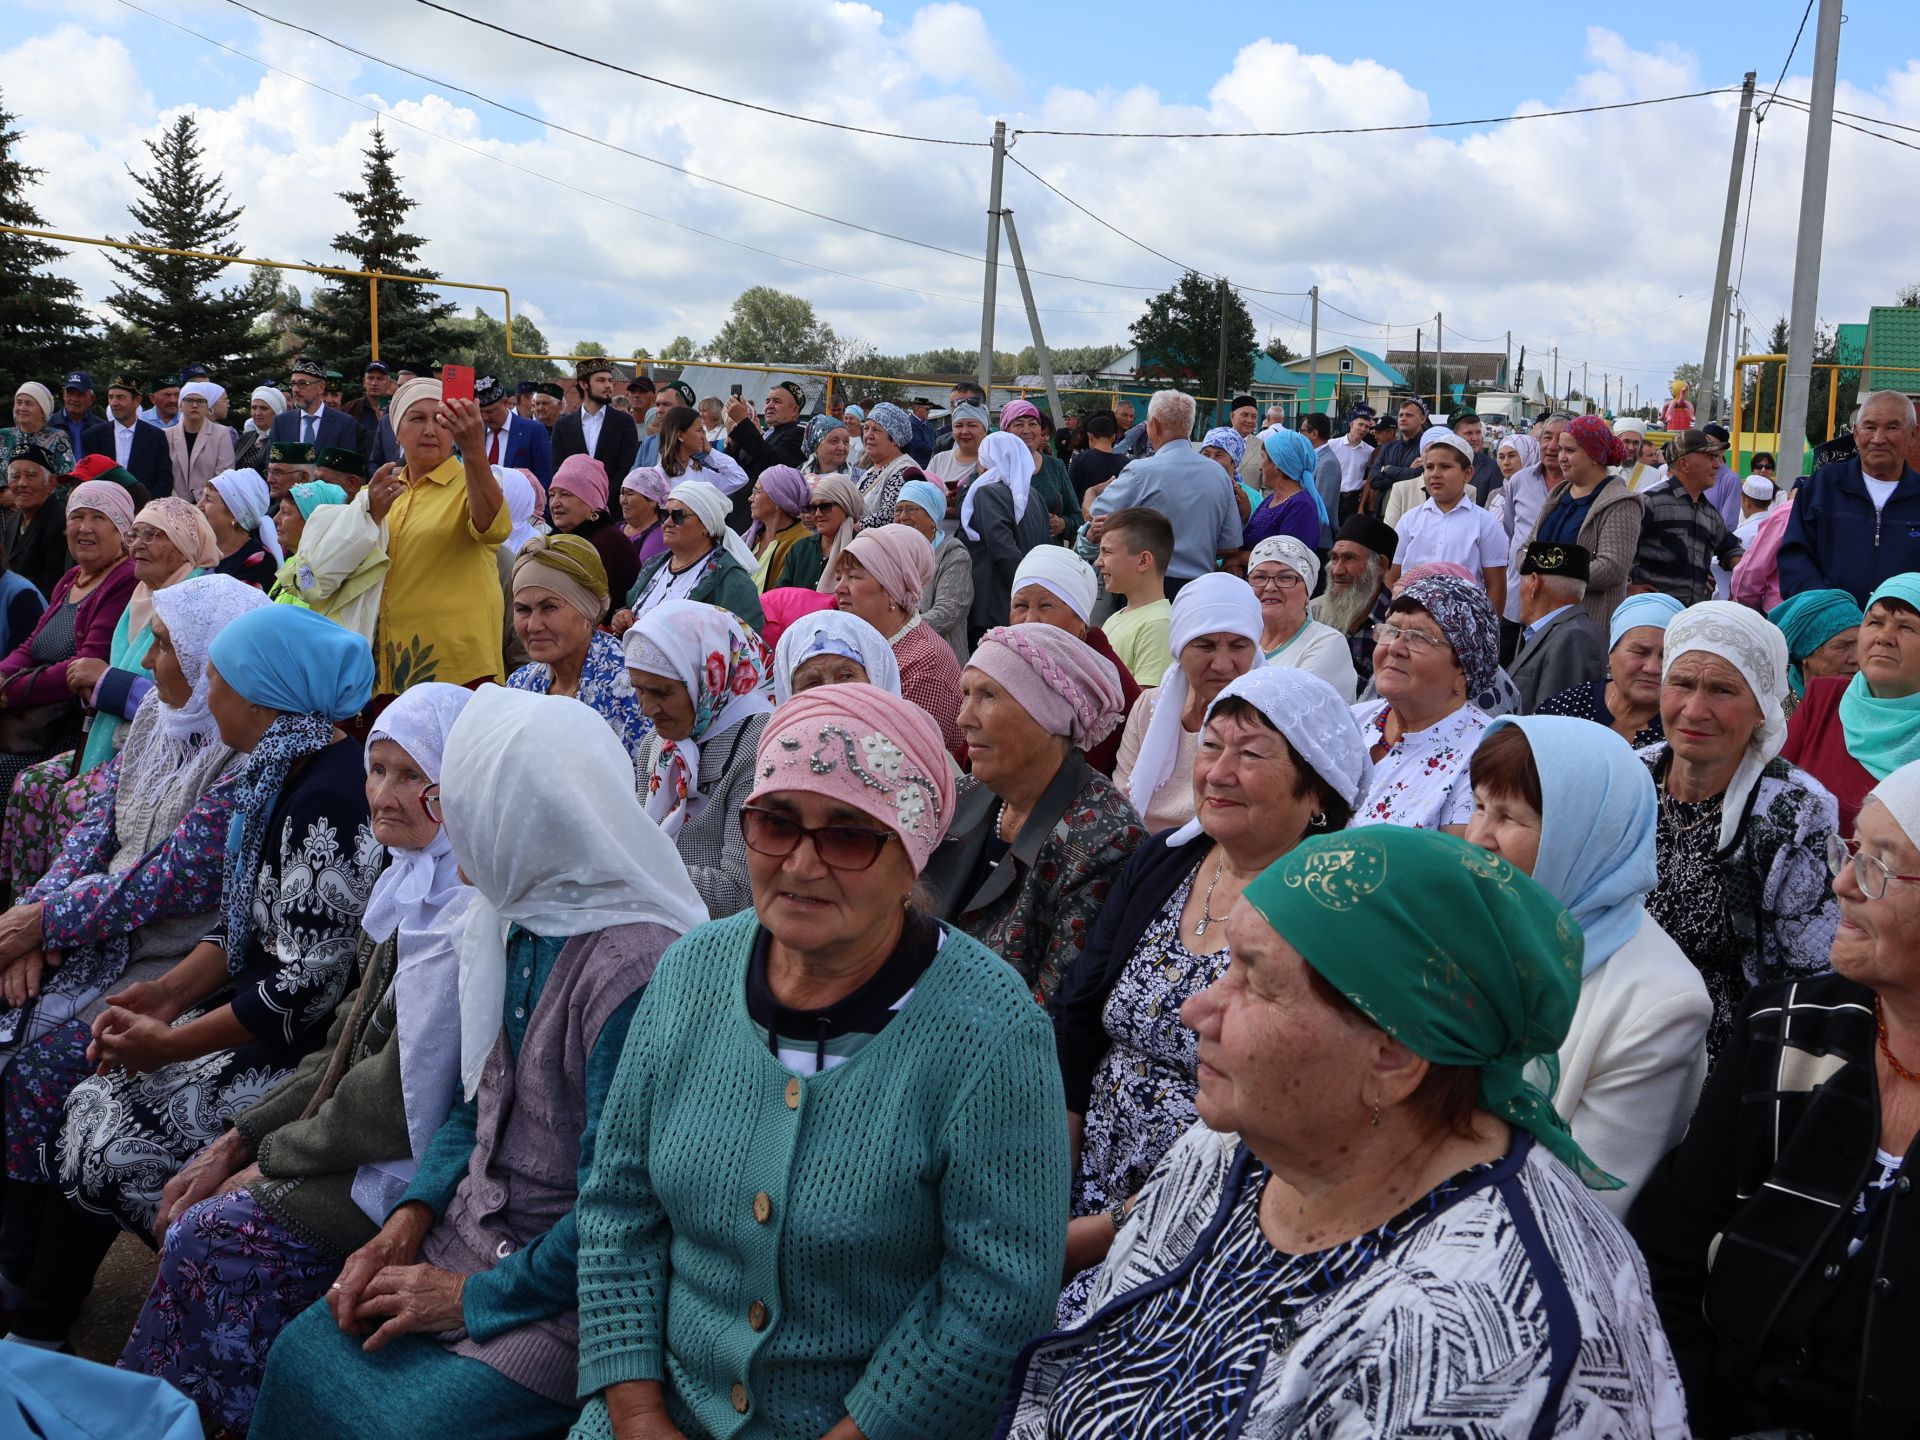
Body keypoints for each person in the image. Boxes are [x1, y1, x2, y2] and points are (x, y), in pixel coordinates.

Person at [999, 825, 1688, 1438]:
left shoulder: (1484, 1344)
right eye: (1226, 965)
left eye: (1254, 983)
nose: (1194, 1009)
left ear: (1394, 1054)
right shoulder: (1235, 1144)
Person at [570, 682, 1068, 1440]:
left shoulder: (991, 1032)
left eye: (847, 835)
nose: (801, 863)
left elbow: (996, 1295)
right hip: (658, 1413)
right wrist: (638, 1416)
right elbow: (619, 1207)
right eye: (776, 823)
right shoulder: (688, 974)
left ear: (913, 856)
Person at [247, 685, 705, 1440]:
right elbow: (478, 1104)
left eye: (463, 803)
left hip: (567, 1290)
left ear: (528, 818)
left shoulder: (629, 969)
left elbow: (617, 1210)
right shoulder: (517, 911)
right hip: (465, 1232)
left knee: (411, 1427)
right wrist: (408, 1220)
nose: (448, 825)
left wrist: (466, 1298)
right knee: (301, 1354)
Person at [117, 684, 475, 1434]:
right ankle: (166, 1418)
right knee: (197, 1195)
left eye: (415, 777)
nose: (384, 793)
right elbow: (342, 1045)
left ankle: (215, 1418)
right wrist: (237, 1141)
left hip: (412, 1170)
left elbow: (395, 1099)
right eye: (377, 770)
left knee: (216, 1236)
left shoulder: (464, 913)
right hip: (360, 1142)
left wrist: (272, 1158)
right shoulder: (408, 881)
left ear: (463, 787)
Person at [40, 607, 378, 1347]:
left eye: (217, 681)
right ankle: (51, 1312)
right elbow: (241, 922)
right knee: (92, 1094)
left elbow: (309, 986)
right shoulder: (276, 771)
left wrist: (173, 1046)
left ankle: (212, 1311)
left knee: (107, 1129)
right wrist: (167, 997)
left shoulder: (327, 796)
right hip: (260, 1014)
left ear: (262, 698)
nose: (204, 692)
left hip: (305, 1052)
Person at [0, 577, 267, 1344]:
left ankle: (28, 1277)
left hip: (172, 948)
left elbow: (169, 881)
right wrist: (36, 924)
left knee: (48, 1062)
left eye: (164, 644)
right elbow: (93, 828)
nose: (150, 658)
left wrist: (47, 920)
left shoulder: (240, 755)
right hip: (86, 922)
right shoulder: (156, 712)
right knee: (7, 1015)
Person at [1050, 666, 1368, 1309]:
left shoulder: (1328, 911)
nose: (1218, 772)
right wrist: (1051, 1171)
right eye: (1213, 745)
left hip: (1201, 1219)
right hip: (1077, 1175)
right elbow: (1079, 1014)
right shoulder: (1165, 859)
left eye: (1251, 755)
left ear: (1317, 794)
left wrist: (1085, 1238)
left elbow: (1293, 1111)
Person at [1631, 759, 1920, 1440]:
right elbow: (1663, 1256)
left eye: (1882, 865)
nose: (1843, 884)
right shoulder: (1784, 1028)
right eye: (1850, 850)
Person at [1465, 718, 1711, 1213]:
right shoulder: (1469, 925)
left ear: (1580, 836)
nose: (1478, 838)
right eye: (1477, 807)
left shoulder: (1660, 1005)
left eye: (1509, 818)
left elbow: (1584, 1202)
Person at [1641, 601, 1839, 1057]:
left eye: (1723, 690)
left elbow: (1809, 983)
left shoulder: (1797, 813)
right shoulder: (1629, 778)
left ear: (1762, 709)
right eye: (1683, 683)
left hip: (1732, 1052)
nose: (1695, 709)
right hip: (1614, 1025)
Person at [923, 624, 1141, 1001]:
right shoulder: (964, 795)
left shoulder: (1106, 841)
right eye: (965, 695)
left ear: (1050, 716)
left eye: (988, 695)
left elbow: (1055, 1009)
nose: (963, 718)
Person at [625, 600, 774, 918]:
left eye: (662, 692)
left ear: (709, 681)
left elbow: (741, 894)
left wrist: (630, 869)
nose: (646, 709)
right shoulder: (660, 743)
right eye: (638, 690)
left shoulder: (759, 750)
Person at [0, 480, 139, 803]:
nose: (84, 528)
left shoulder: (125, 580)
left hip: (69, 727)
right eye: (77, 517)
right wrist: (3, 674)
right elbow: (32, 645)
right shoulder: (71, 579)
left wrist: (10, 692)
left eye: (98, 518)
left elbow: (85, 666)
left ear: (121, 530)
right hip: (31, 715)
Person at [1115, 573, 1264, 833]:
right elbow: (1122, 800)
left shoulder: (1268, 719)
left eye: (1238, 646)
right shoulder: (1149, 707)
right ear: (1179, 649)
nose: (1221, 664)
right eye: (1205, 646)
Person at [1352, 570, 1498, 830]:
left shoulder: (1485, 756)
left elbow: (1451, 866)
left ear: (1464, 670)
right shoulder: (1352, 720)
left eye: (1419, 637)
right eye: (1391, 630)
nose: (1395, 648)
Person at [1784, 574, 1920, 836]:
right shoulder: (1824, 698)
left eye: (1906, 627)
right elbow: (1771, 794)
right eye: (1875, 622)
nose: (1884, 637)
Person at [507, 535, 648, 773]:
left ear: (588, 610)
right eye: (523, 609)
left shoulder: (630, 687)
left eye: (549, 607)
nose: (533, 625)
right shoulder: (521, 684)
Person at [833, 524, 966, 765]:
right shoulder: (864, 642)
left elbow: (900, 762)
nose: (839, 588)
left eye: (853, 577)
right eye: (839, 577)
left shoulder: (925, 662)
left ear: (892, 590)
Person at [1089, 390, 1241, 596]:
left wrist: (1090, 493)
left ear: (1155, 425)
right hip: (1200, 589)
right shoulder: (1219, 475)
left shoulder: (1140, 472)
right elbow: (1230, 544)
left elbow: (1095, 519)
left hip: (1148, 588)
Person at [1005, 545, 1142, 773]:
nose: (1030, 620)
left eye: (1046, 605)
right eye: (1020, 605)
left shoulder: (1110, 688)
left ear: (1081, 621)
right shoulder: (1006, 663)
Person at [1780, 390, 1920, 605]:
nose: (1878, 439)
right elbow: (1794, 559)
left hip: (1903, 632)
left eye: (1892, 427)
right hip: (1829, 630)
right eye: (1869, 427)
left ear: (1913, 435)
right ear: (1856, 434)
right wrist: (1835, 614)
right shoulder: (1822, 487)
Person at [1529, 415, 1644, 628]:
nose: (1561, 456)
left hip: (1583, 625)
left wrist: (1546, 574)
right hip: (1542, 618)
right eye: (1562, 450)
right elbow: (1525, 550)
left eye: (1570, 451)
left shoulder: (1621, 503)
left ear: (1594, 456)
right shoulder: (1558, 494)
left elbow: (1611, 569)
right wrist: (1552, 567)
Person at [1386, 426, 1508, 613]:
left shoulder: (1485, 523)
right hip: (1410, 622)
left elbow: (1496, 587)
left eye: (1445, 466)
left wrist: (1488, 633)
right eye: (1429, 467)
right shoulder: (1410, 520)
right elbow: (1392, 577)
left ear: (1467, 473)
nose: (1435, 474)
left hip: (1464, 625)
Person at [1537, 590, 1682, 747]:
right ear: (1611, 654)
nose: (1652, 668)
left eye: (1666, 656)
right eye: (1640, 651)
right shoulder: (1567, 709)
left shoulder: (1684, 730)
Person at [621, 478, 765, 634]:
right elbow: (634, 606)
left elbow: (746, 641)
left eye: (678, 515)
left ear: (706, 525)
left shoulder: (730, 579)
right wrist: (623, 616)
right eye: (665, 514)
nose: (667, 523)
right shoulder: (654, 564)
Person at [1630, 429, 1744, 606]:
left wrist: (1741, 566)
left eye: (1717, 457)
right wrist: (1626, 588)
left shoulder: (1709, 513)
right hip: (1651, 615)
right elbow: (1618, 552)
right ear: (1684, 464)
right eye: (1710, 457)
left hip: (1690, 618)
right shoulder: (1650, 503)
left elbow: (1729, 547)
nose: (1718, 465)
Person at [963, 431, 1050, 637]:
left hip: (995, 604)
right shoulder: (1034, 496)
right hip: (1022, 604)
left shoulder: (988, 493)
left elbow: (1003, 550)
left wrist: (1023, 593)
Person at [1247, 534, 1357, 698]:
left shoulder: (1327, 643)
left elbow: (1288, 709)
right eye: (1259, 577)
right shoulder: (1239, 638)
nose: (1270, 587)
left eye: (1285, 578)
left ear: (1308, 593)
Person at [1507, 541, 1606, 713]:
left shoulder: (1574, 638)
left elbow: (1552, 720)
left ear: (1534, 584)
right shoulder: (1564, 632)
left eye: (1521, 583)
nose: (1518, 591)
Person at [1308, 511, 1398, 692]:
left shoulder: (1396, 623)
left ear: (1380, 565)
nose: (1336, 571)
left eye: (1349, 558)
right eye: (1334, 558)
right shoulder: (1313, 613)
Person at [891, 477, 971, 665]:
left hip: (940, 659)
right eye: (898, 509)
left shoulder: (952, 553)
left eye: (911, 509)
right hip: (898, 657)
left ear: (932, 518)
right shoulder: (892, 553)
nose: (902, 516)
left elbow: (947, 611)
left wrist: (895, 630)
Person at [547, 455, 640, 616]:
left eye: (565, 494)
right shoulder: (550, 541)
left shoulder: (608, 544)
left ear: (592, 503)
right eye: (552, 494)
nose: (555, 502)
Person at [1093, 506, 1174, 687]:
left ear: (1143, 561)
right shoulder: (1116, 617)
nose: (1098, 562)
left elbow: (1145, 705)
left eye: (1107, 552)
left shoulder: (1159, 623)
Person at [1769, 586, 1863, 721]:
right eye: (1841, 646)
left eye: (1862, 645)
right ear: (1804, 654)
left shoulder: (1878, 703)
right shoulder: (1773, 718)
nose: (1857, 659)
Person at [770, 610, 900, 704]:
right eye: (811, 683)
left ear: (875, 679)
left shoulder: (907, 738)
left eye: (846, 676)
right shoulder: (773, 741)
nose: (831, 694)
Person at [2, 438, 74, 601]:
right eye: (15, 476)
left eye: (30, 476)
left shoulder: (60, 522)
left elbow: (53, 588)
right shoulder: (15, 520)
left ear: (51, 482)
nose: (22, 483)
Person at [551, 357, 641, 485]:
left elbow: (627, 467)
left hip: (612, 502)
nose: (608, 386)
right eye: (601, 380)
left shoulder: (624, 422)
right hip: (574, 501)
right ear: (583, 384)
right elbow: (559, 469)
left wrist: (603, 500)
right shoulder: (563, 426)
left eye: (609, 380)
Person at [82, 375, 174, 498]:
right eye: (111, 397)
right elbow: (86, 477)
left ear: (137, 401)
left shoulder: (156, 437)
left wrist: (144, 505)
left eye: (120, 397)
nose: (114, 403)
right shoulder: (93, 436)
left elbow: (164, 481)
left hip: (144, 510)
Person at [1003, 398, 1080, 543]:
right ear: (1005, 431)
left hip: (1049, 558)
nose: (1026, 430)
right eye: (1018, 424)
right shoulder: (994, 466)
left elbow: (1076, 516)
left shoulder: (1055, 466)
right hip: (1007, 557)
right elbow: (968, 504)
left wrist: (1063, 524)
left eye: (1033, 424)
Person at [773, 471, 862, 593]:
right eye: (813, 508)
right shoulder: (800, 549)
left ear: (845, 506)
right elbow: (780, 595)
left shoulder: (862, 549)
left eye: (825, 507)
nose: (817, 514)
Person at [1241, 426, 1324, 554]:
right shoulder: (1273, 498)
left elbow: (1288, 558)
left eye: (1263, 458)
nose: (1260, 466)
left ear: (1276, 464)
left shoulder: (1300, 506)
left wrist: (1239, 558)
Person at [852, 401, 930, 526]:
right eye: (866, 428)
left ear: (895, 438)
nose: (868, 435)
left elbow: (889, 516)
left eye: (876, 430)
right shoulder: (871, 470)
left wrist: (852, 527)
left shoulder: (903, 471)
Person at [744, 464, 811, 592]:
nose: (750, 498)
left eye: (757, 492)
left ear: (778, 500)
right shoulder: (754, 537)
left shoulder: (803, 543)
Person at [3, 382, 75, 477]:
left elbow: (66, 478)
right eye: (18, 402)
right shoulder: (3, 436)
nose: (22, 408)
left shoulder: (57, 438)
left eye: (29, 404)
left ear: (43, 411)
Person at [618, 466, 669, 565]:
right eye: (622, 493)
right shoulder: (617, 528)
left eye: (630, 494)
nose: (623, 500)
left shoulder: (659, 536)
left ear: (652, 500)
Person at [231, 384, 283, 477]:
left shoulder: (283, 439)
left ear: (276, 411)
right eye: (254, 408)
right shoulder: (246, 438)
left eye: (264, 408)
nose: (257, 413)